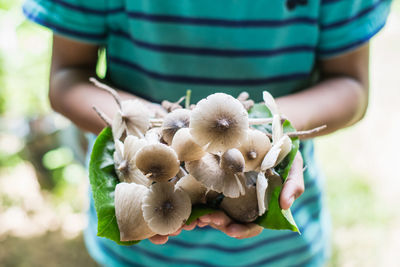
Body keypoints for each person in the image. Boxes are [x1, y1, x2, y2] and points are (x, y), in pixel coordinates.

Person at [23, 0, 391, 266]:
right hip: (140, 231)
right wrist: (154, 126)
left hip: (276, 240)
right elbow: (66, 77)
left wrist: (265, 131)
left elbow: (350, 85)